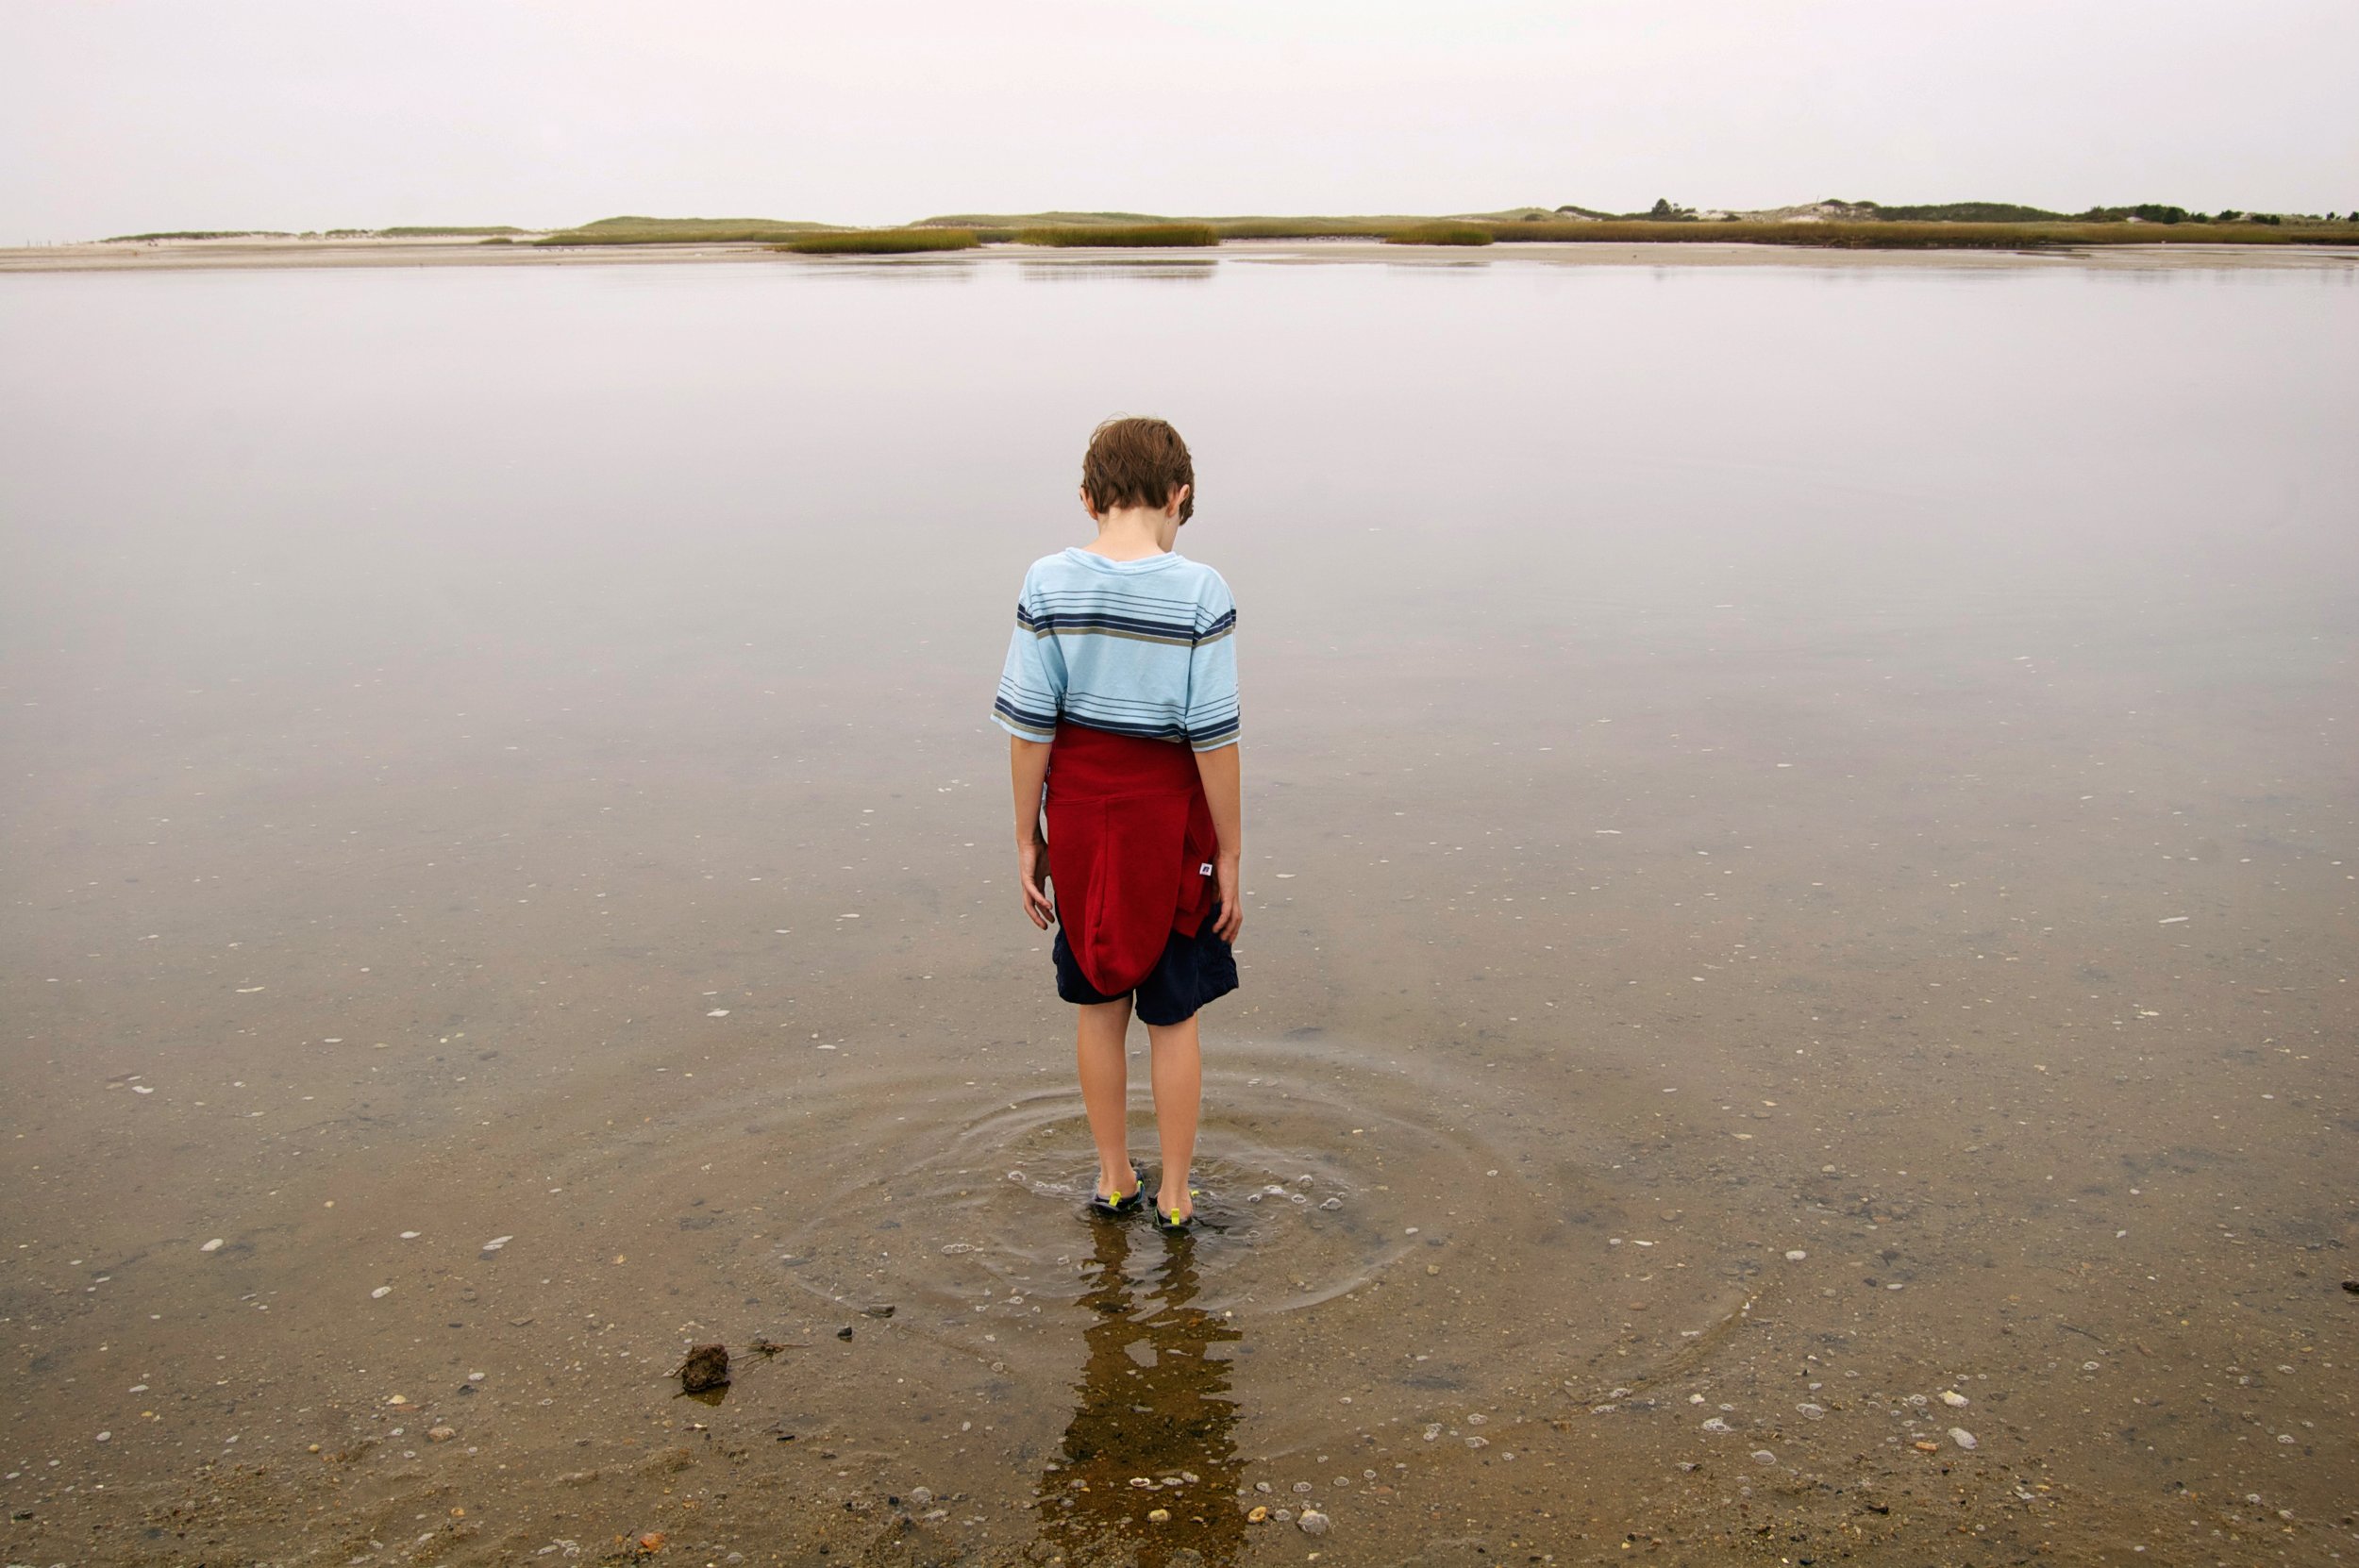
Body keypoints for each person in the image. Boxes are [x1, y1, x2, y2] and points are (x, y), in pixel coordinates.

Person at [995, 416, 1243, 1235]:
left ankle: (1111, 1178)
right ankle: (1175, 1194)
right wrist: (1233, 853)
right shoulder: (1202, 591)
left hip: (1081, 816)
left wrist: (1028, 837)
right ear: (1179, 496)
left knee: (1098, 1001)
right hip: (1170, 820)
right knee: (1174, 1016)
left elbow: (1031, 725)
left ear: (1087, 498)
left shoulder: (1045, 582)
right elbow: (1213, 737)